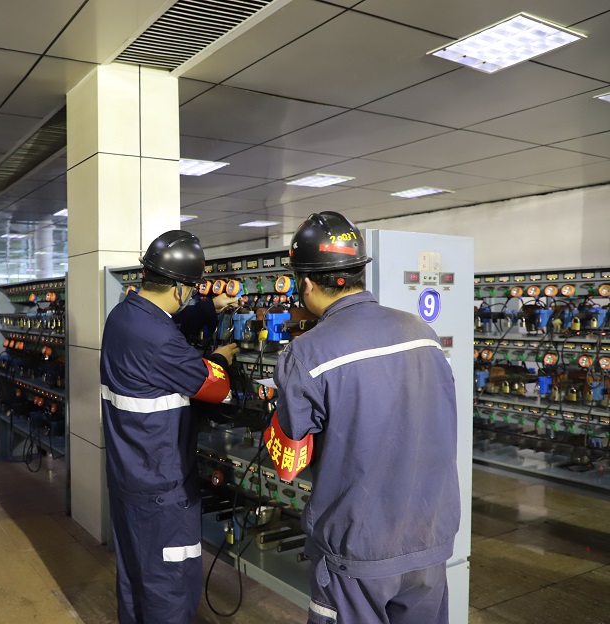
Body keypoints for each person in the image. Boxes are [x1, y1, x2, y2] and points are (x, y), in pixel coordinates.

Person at [266, 211, 459, 624]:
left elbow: (288, 463)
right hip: (429, 540)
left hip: (358, 555)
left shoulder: (308, 353)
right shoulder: (421, 332)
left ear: (305, 283)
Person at [100, 230, 239, 623]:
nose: (191, 296)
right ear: (179, 289)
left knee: (135, 579)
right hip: (163, 488)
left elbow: (165, 322)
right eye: (192, 291)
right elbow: (215, 387)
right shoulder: (160, 341)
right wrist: (220, 358)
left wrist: (209, 308)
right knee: (169, 588)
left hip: (128, 477)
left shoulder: (122, 315)